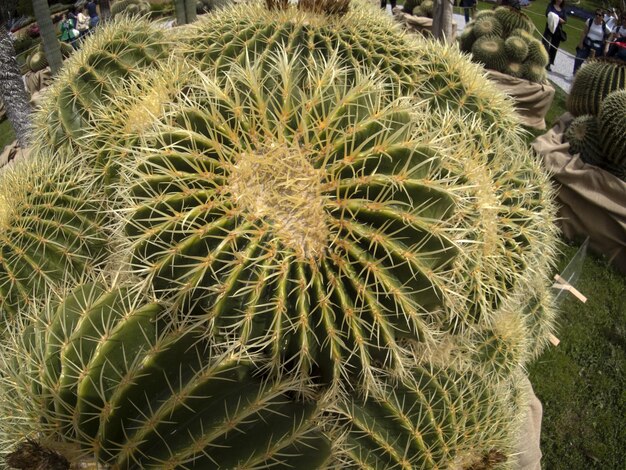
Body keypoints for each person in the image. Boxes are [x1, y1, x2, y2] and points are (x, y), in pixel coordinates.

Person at [573, 9, 610, 74]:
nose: (597, 16)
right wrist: (581, 43)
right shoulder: (589, 21)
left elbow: (610, 34)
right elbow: (584, 32)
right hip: (587, 43)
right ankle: (574, 74)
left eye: (599, 15)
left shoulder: (605, 26)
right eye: (596, 14)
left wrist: (606, 42)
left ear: (603, 17)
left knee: (593, 64)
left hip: (597, 46)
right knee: (579, 57)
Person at [542, 0, 567, 71]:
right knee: (545, 43)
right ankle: (543, 60)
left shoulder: (563, 9)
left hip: (558, 30)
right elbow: (547, 14)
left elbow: (565, 20)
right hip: (549, 27)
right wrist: (558, 18)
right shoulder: (551, 5)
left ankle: (549, 63)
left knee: (554, 47)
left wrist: (556, 18)